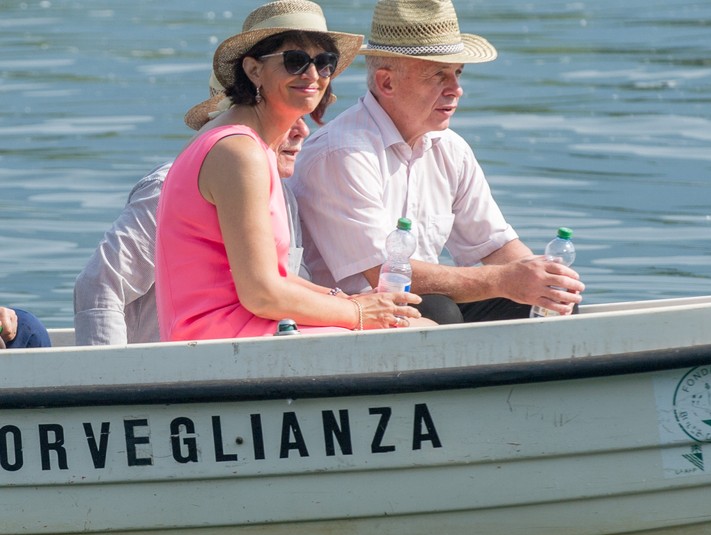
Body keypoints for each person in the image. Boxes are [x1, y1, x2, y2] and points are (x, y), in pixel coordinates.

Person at [290, 0, 584, 324]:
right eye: (439, 75)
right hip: (345, 316)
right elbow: (384, 274)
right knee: (438, 310)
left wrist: (545, 280)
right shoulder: (341, 153)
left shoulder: (451, 149)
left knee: (549, 300)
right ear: (386, 83)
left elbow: (497, 245)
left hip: (411, 308)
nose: (456, 90)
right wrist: (506, 280)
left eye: (458, 73)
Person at [155, 0, 424, 342]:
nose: (313, 75)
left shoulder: (247, 146)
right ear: (253, 70)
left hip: (230, 334)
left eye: (325, 63)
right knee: (419, 331)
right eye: (295, 61)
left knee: (410, 323)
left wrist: (345, 300)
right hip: (221, 341)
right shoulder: (239, 152)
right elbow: (262, 294)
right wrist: (357, 313)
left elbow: (275, 276)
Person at [73, 69, 313, 346]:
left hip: (252, 366)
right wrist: (113, 383)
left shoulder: (284, 196)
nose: (302, 130)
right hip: (169, 377)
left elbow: (291, 291)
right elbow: (100, 285)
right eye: (284, 117)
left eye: (302, 116)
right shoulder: (166, 188)